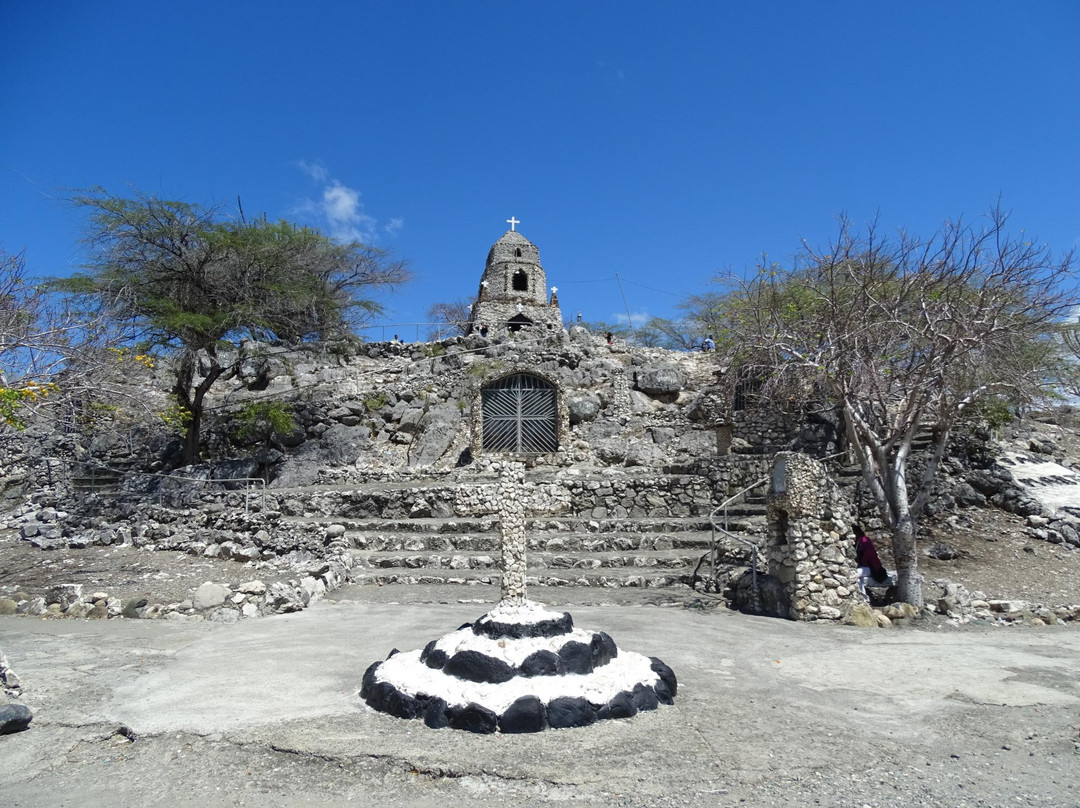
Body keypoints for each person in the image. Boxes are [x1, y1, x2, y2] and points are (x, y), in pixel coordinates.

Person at [854, 525, 889, 600]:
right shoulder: (858, 541)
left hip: (871, 568)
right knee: (855, 578)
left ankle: (864, 598)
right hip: (865, 567)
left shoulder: (864, 540)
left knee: (854, 574)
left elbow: (869, 552)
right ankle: (864, 598)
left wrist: (863, 562)